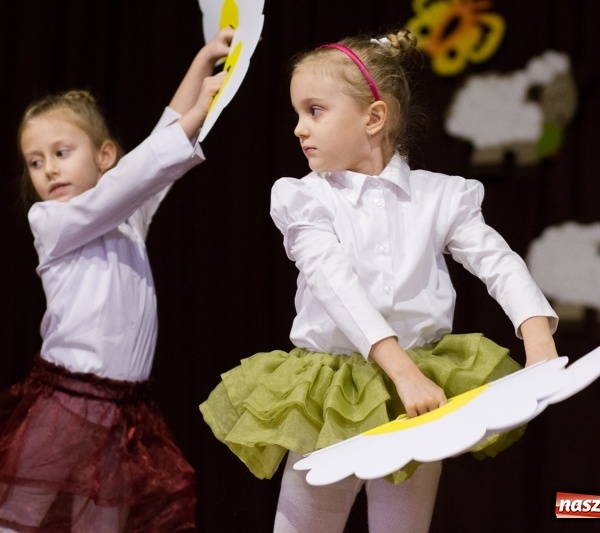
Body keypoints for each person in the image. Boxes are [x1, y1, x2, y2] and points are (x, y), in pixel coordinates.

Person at [200, 29, 559, 533]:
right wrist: (401, 371)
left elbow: (496, 261)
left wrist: (537, 337)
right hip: (330, 392)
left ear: (373, 118)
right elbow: (333, 281)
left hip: (417, 392)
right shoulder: (304, 198)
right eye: (297, 114)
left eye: (315, 111)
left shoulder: (440, 197)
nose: (299, 129)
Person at [0, 27, 235, 533]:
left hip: (125, 409)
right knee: (16, 519)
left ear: (104, 155)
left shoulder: (128, 216)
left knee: (103, 524)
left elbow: (149, 157)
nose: (48, 171)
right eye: (35, 162)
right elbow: (124, 183)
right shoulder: (51, 223)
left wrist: (202, 62)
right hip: (66, 402)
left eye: (62, 152)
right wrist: (196, 116)